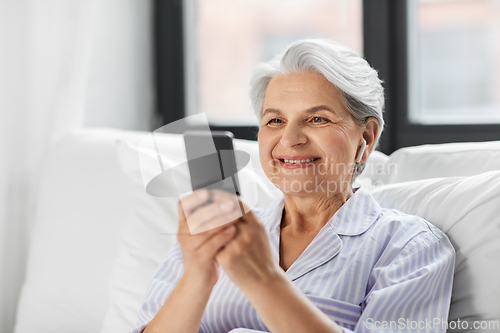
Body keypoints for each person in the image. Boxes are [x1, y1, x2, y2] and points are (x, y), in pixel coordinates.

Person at [132, 39, 455, 333]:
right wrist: (198, 275)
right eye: (275, 120)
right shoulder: (213, 234)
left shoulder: (409, 246)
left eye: (317, 119)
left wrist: (262, 279)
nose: (290, 139)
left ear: (366, 137)